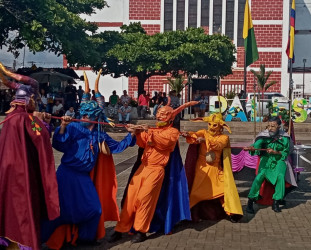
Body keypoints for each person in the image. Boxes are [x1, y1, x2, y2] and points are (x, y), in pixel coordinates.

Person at [41, 71, 137, 248]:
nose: (83, 117)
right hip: (66, 174)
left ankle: (86, 238)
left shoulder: (100, 132)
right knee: (59, 211)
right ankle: (39, 238)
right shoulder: (74, 127)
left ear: (95, 117)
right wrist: (62, 126)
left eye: (87, 115)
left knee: (94, 209)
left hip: (83, 177)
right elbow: (59, 145)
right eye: (82, 114)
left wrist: (130, 135)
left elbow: (116, 148)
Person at [109, 100, 198, 243]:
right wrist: (136, 132)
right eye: (158, 114)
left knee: (144, 199)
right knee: (130, 199)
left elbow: (164, 142)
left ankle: (141, 230)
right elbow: (142, 143)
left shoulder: (172, 132)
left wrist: (148, 131)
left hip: (156, 170)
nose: (159, 117)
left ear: (170, 117)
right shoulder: (153, 129)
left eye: (163, 115)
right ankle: (121, 228)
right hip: (143, 167)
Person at [0, 63, 59, 250]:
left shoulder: (8, 120)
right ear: (30, 100)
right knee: (25, 209)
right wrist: (46, 124)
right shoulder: (28, 119)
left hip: (6, 173)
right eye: (35, 99)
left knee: (8, 207)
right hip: (23, 175)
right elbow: (41, 139)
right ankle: (25, 243)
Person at [181, 113, 243, 222]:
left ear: (220, 126)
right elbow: (196, 135)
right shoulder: (204, 133)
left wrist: (205, 141)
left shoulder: (224, 137)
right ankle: (186, 213)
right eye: (209, 124)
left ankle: (231, 213)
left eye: (214, 125)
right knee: (195, 193)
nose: (211, 127)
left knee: (225, 189)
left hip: (215, 168)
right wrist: (189, 134)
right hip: (202, 168)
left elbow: (218, 144)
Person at [244, 116, 290, 213]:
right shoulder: (263, 135)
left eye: (273, 126)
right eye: (268, 126)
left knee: (280, 177)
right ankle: (250, 201)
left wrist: (275, 152)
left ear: (278, 126)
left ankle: (276, 202)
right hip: (266, 159)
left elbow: (286, 152)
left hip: (279, 160)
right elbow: (257, 145)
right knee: (259, 177)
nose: (270, 128)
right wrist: (251, 148)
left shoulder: (285, 137)